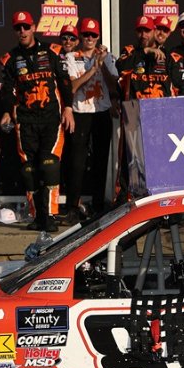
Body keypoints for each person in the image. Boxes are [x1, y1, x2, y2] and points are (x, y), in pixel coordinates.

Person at [0, 10, 75, 233]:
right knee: (29, 170)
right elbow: (8, 90)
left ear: (33, 28)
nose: (22, 31)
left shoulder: (52, 52)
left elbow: (64, 82)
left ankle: (50, 214)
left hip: (51, 119)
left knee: (49, 165)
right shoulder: (10, 59)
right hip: (25, 121)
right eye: (17, 28)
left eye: (25, 27)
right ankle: (36, 215)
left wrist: (68, 108)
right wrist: (6, 111)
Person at [62, 17, 119, 220]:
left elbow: (114, 86)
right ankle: (72, 205)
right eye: (85, 34)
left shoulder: (107, 56)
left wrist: (102, 65)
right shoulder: (72, 57)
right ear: (80, 36)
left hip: (101, 113)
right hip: (79, 113)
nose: (89, 38)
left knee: (101, 160)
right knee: (76, 162)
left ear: (98, 37)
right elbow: (72, 87)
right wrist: (92, 70)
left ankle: (98, 204)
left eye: (93, 35)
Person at [116, 15, 176, 100]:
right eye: (140, 31)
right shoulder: (129, 51)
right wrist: (145, 51)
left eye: (147, 31)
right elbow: (120, 67)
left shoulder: (167, 55)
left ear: (154, 31)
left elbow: (179, 87)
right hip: (136, 108)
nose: (143, 35)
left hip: (162, 108)